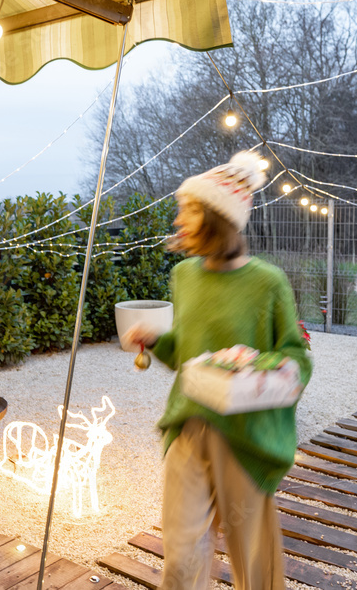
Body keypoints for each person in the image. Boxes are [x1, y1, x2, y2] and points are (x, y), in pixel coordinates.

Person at [124, 150, 311, 590]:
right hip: (188, 425)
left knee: (253, 558)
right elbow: (186, 354)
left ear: (216, 218)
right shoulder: (184, 275)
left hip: (245, 434)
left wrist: (249, 365)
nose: (178, 222)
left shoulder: (268, 283)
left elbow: (295, 357)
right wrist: (154, 340)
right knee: (181, 551)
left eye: (187, 211)